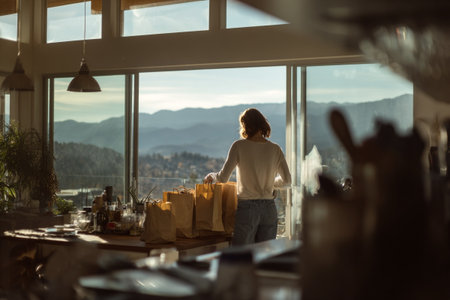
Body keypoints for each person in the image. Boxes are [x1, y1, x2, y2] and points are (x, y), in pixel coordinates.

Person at [204, 108, 291, 246]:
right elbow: (287, 181)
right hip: (269, 208)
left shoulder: (239, 146)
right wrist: (270, 183)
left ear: (245, 125)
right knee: (265, 256)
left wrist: (212, 176)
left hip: (248, 208)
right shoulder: (275, 149)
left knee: (242, 256)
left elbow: (223, 178)